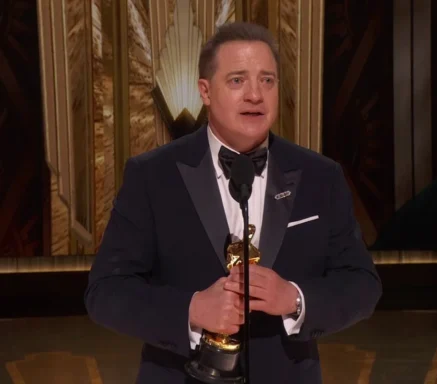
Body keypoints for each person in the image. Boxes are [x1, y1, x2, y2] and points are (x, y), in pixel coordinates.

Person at [84, 21, 382, 384]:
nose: (255, 95)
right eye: (238, 80)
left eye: (267, 80)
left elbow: (363, 285)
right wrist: (192, 309)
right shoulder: (152, 176)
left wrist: (295, 299)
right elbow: (106, 292)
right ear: (205, 91)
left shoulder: (321, 176)